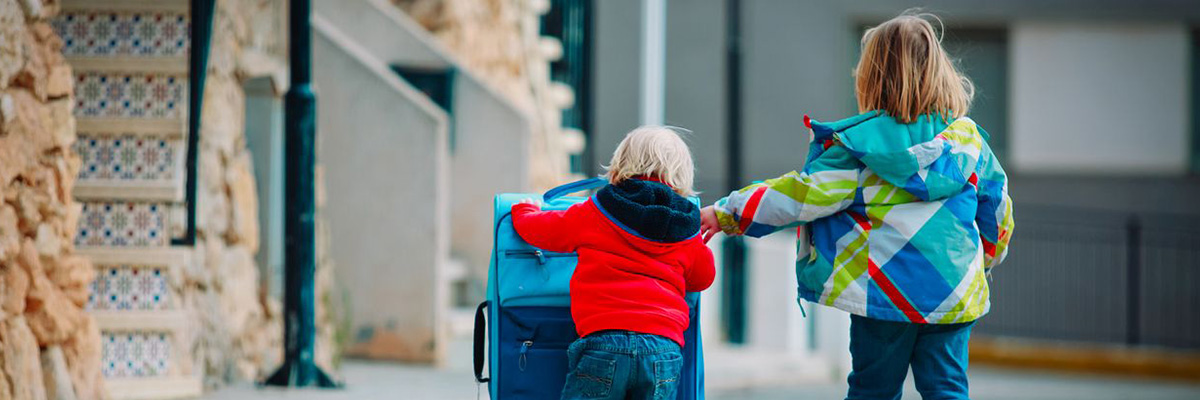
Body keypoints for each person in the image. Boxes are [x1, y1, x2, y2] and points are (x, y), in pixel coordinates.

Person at [699, 11, 1015, 400]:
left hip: (883, 297)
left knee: (872, 390)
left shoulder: (859, 148)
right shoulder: (971, 144)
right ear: (940, 72)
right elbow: (998, 213)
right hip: (953, 293)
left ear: (872, 77)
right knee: (947, 389)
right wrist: (985, 259)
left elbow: (799, 195)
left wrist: (729, 212)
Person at [512, 126, 716, 400]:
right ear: (681, 174)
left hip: (603, 344)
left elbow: (544, 231)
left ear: (621, 165)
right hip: (661, 349)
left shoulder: (597, 210)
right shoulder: (687, 225)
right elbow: (703, 277)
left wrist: (524, 211)